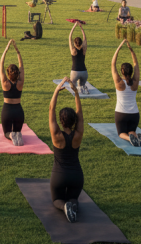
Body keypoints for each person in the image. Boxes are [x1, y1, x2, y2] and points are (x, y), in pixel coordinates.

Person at [49, 79, 84, 223]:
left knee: (57, 199)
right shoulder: (78, 134)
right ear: (74, 120)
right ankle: (71, 204)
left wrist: (57, 90)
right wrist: (76, 92)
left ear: (61, 122)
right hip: (76, 176)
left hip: (59, 176)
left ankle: (64, 206)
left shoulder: (56, 135)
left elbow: (51, 108)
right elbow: (80, 114)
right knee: (74, 198)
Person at [111, 40, 141, 146]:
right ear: (131, 72)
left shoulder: (119, 82)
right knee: (131, 130)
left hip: (121, 114)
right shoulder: (135, 82)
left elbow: (113, 64)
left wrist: (119, 47)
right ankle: (134, 135)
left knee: (121, 133)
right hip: (134, 114)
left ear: (122, 71)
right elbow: (136, 64)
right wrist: (131, 49)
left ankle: (130, 138)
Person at [0, 39, 26, 146]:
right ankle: (17, 135)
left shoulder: (5, 83)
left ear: (8, 73)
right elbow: (21, 65)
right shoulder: (20, 82)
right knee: (17, 131)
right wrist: (17, 51)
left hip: (7, 111)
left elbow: (1, 63)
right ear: (17, 73)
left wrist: (6, 49)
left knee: (6, 133)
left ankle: (10, 136)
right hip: (19, 112)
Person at [68, 22, 89, 94]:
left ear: (74, 43)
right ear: (81, 43)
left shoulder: (73, 50)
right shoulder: (84, 49)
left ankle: (79, 89)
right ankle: (83, 87)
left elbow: (69, 37)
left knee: (72, 86)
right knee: (81, 85)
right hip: (84, 72)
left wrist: (74, 26)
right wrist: (81, 28)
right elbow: (85, 38)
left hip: (75, 72)